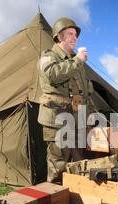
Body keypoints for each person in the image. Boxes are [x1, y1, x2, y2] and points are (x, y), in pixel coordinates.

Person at [38, 17, 96, 183]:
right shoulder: (49, 56)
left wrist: (91, 118)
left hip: (77, 121)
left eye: (76, 35)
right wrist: (77, 60)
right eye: (70, 34)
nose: (74, 38)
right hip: (57, 120)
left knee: (77, 167)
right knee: (58, 167)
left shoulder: (76, 63)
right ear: (59, 36)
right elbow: (53, 75)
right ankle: (56, 203)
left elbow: (86, 94)